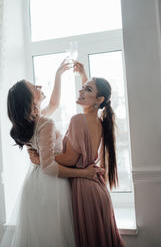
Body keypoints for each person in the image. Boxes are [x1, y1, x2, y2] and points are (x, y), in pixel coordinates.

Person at [5, 60, 102, 247]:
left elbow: (54, 103)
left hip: (34, 184)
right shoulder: (45, 123)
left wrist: (58, 74)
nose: (39, 86)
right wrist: (84, 173)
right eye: (34, 87)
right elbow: (49, 167)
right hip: (51, 186)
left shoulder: (31, 123)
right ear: (29, 99)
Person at [30, 61, 125, 247]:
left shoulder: (78, 120)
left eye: (87, 89)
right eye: (82, 87)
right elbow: (91, 104)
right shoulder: (99, 121)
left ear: (99, 100)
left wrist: (40, 158)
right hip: (97, 191)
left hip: (84, 191)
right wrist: (85, 77)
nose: (81, 91)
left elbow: (70, 159)